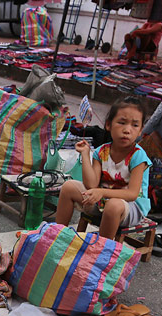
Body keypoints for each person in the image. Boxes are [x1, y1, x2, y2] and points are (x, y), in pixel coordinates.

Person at [55, 96, 152, 239]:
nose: (127, 130)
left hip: (131, 207)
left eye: (135, 125)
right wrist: (85, 154)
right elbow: (91, 184)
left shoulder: (138, 156)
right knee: (68, 186)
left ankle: (101, 251)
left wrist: (101, 192)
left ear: (140, 130)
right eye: (122, 122)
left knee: (113, 206)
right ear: (108, 125)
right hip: (101, 201)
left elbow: (132, 194)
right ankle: (57, 236)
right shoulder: (101, 152)